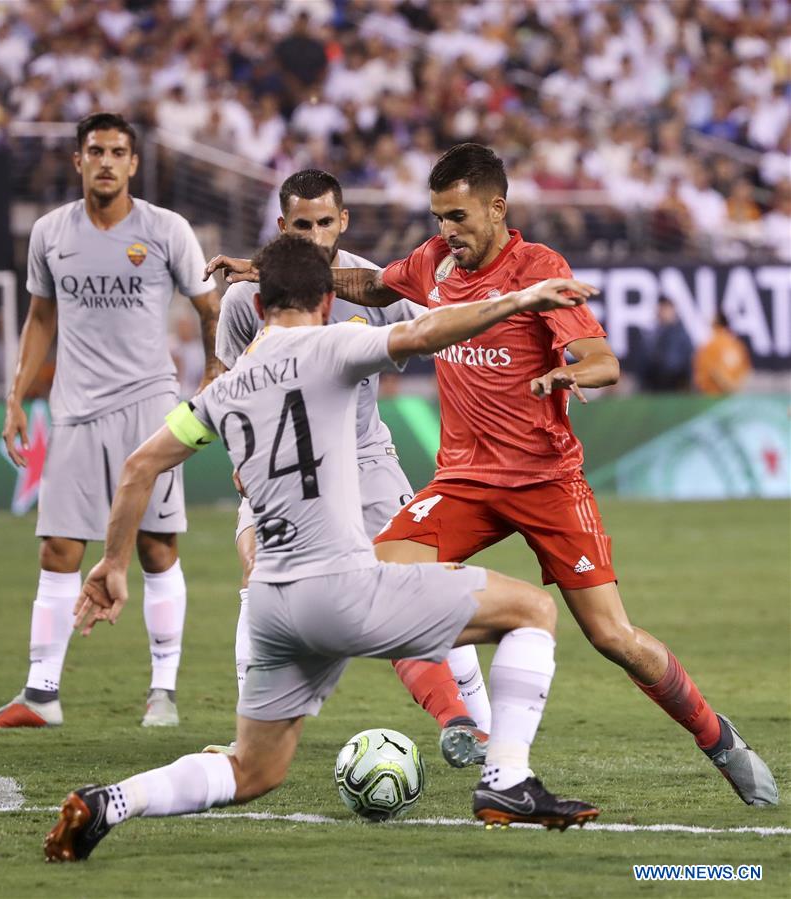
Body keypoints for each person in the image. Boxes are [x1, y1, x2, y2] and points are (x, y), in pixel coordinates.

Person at [208, 143, 777, 807]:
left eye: (458, 216)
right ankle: (469, 735)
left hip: (547, 482)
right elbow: (369, 285)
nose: (448, 230)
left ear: (497, 207)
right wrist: (265, 273)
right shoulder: (433, 263)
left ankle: (717, 738)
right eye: (438, 217)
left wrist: (570, 371)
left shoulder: (539, 268)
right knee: (375, 576)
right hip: (465, 483)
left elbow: (603, 359)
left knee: (613, 637)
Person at [43, 235, 601, 862]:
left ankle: (107, 803)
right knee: (533, 610)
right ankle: (507, 781)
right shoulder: (333, 344)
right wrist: (519, 298)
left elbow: (139, 467)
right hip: (341, 587)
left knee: (252, 772)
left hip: (273, 606)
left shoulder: (225, 390)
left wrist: (114, 563)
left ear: (257, 307)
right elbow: (426, 333)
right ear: (330, 299)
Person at [203, 169, 493, 765]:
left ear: (344, 223)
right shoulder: (241, 301)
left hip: (364, 458)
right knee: (258, 577)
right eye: (301, 225)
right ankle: (248, 741)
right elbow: (227, 382)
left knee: (422, 580)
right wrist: (242, 455)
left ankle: (480, 729)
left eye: (324, 223)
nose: (313, 235)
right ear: (283, 226)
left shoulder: (370, 290)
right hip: (281, 469)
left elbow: (437, 337)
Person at [0, 112, 221, 730]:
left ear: (133, 164)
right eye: (95, 151)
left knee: (157, 547)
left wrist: (215, 374)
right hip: (76, 411)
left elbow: (210, 306)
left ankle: (162, 692)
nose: (106, 161)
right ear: (78, 160)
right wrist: (14, 398)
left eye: (117, 152)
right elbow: (40, 319)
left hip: (148, 405)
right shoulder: (51, 232)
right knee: (58, 548)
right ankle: (40, 694)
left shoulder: (166, 229)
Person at [640, 297, 694, 392]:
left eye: (665, 309)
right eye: (660, 309)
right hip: (656, 385)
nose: (661, 313)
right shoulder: (654, 333)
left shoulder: (681, 334)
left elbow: (682, 362)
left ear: (672, 310)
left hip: (675, 384)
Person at [693, 313, 752, 395]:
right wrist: (734, 386)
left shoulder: (711, 345)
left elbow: (713, 370)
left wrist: (727, 385)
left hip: (713, 393)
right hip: (732, 393)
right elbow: (745, 369)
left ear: (715, 325)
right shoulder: (737, 345)